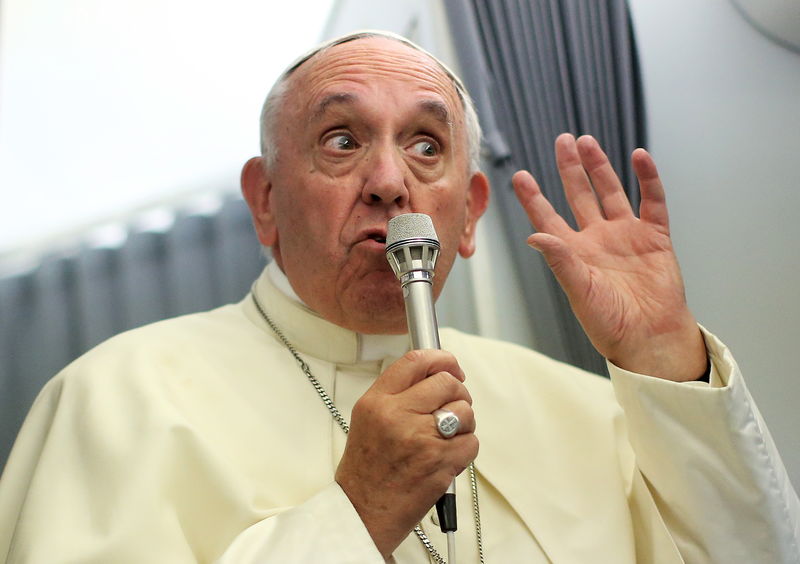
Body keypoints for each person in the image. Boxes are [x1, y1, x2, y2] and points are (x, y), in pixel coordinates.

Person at [0, 30, 798, 564]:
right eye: (342, 141)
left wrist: (667, 361)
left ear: (470, 213)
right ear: (266, 201)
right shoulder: (115, 399)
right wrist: (354, 513)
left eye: (426, 145)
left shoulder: (590, 410)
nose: (390, 183)